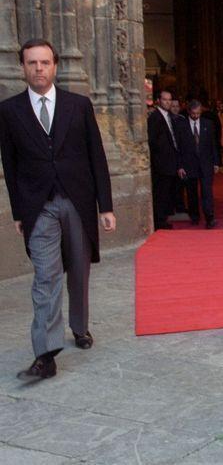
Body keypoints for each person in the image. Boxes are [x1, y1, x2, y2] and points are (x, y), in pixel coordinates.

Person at [0, 38, 116, 380]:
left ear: (55, 67)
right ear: (22, 67)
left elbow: (97, 156)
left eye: (45, 63)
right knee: (46, 277)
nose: (39, 68)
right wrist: (20, 212)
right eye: (32, 63)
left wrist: (105, 206)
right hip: (39, 206)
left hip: (78, 200)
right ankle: (46, 355)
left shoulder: (78, 105)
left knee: (78, 270)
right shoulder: (8, 111)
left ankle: (79, 327)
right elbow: (11, 164)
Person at [175, 100, 219, 229]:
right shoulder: (181, 125)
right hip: (189, 164)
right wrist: (180, 166)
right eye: (193, 113)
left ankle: (210, 217)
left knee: (207, 191)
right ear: (189, 112)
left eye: (198, 113)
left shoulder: (208, 124)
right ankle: (194, 216)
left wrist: (216, 162)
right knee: (191, 192)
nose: (196, 116)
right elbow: (178, 147)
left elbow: (213, 144)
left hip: (206, 163)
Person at [147, 90, 180, 230]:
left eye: (169, 99)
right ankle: (159, 221)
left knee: (167, 192)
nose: (168, 102)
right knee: (161, 192)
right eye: (165, 99)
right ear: (159, 100)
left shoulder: (170, 116)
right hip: (161, 162)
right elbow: (153, 141)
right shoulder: (155, 117)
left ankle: (163, 217)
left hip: (170, 161)